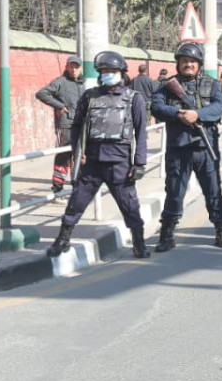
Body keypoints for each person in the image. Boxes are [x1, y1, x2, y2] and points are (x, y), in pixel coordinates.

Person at [46, 51, 150, 259]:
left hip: (119, 162)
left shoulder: (133, 98)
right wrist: (78, 153)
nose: (108, 74)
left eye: (112, 70)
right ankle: (63, 240)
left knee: (129, 204)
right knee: (76, 201)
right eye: (104, 71)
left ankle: (139, 243)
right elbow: (77, 126)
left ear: (121, 72)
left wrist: (139, 163)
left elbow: (141, 132)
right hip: (92, 161)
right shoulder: (89, 96)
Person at [150, 42, 222, 251]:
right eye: (184, 61)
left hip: (205, 148)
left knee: (213, 191)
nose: (188, 64)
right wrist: (178, 114)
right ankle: (167, 235)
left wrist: (197, 114)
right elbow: (156, 107)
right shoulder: (167, 86)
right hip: (179, 148)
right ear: (178, 63)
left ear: (199, 64)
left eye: (192, 61)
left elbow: (219, 107)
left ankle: (221, 231)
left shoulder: (212, 84)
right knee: (175, 192)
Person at [36, 55, 84, 193]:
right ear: (66, 67)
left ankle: (77, 187)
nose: (73, 69)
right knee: (64, 155)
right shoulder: (61, 81)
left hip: (82, 125)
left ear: (81, 68)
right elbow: (41, 93)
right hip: (66, 124)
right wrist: (60, 106)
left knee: (79, 155)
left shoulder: (83, 84)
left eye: (76, 67)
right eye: (71, 66)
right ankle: (57, 189)